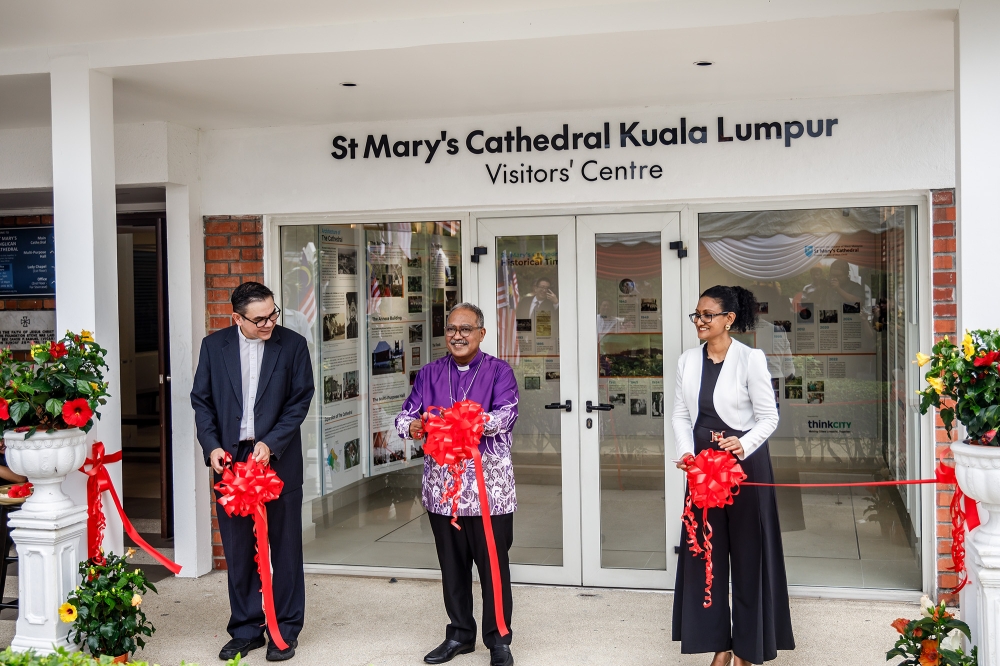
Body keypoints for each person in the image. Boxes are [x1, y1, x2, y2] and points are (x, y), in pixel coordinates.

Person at [191, 281, 314, 662]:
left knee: (286, 547)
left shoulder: (292, 345)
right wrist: (211, 446)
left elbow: (299, 400)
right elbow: (202, 402)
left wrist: (272, 442)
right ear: (237, 318)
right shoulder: (214, 347)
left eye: (273, 314)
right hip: (230, 460)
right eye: (259, 319)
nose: (269, 324)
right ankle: (246, 629)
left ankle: (285, 630)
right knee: (239, 550)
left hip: (276, 457)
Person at [672, 285, 794, 666]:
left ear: (729, 319)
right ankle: (718, 647)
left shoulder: (750, 358)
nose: (700, 321)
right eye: (697, 314)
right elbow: (680, 414)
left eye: (708, 315)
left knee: (748, 557)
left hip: (744, 467)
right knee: (704, 556)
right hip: (703, 469)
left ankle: (746, 648)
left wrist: (744, 444)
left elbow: (769, 416)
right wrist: (686, 453)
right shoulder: (687, 361)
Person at [395, 303, 519, 666]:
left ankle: (499, 640)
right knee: (452, 566)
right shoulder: (430, 373)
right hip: (442, 490)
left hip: (488, 492)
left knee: (493, 565)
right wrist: (413, 426)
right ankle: (460, 635)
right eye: (451, 329)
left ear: (481, 333)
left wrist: (460, 422)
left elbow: (505, 416)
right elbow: (405, 416)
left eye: (466, 329)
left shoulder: (499, 371)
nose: (457, 336)